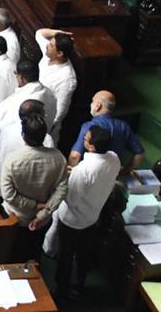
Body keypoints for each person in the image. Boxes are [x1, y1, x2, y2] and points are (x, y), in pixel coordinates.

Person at [50, 125, 120, 301]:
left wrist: (64, 181)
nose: (84, 139)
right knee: (84, 255)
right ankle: (79, 286)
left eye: (86, 138)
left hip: (72, 221)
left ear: (92, 147)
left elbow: (71, 199)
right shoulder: (114, 159)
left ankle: (61, 292)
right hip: (93, 216)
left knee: (65, 257)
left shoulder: (83, 170)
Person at [0, 113, 69, 261]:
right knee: (34, 254)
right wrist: (43, 212)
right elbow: (62, 189)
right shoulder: (58, 158)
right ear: (44, 135)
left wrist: (33, 205)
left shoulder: (13, 160)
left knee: (11, 255)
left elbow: (8, 195)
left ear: (23, 135)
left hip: (15, 217)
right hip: (42, 220)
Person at [69, 90, 145, 171]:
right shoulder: (123, 126)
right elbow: (140, 154)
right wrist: (126, 171)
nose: (91, 104)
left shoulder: (88, 126)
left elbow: (75, 156)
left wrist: (70, 170)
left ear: (98, 105)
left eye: (92, 101)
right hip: (112, 175)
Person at [36, 28, 77, 137]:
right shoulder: (48, 55)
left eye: (51, 45)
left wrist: (43, 130)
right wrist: (58, 33)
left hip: (44, 120)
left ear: (59, 53)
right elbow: (39, 33)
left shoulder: (67, 79)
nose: (47, 45)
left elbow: (60, 112)